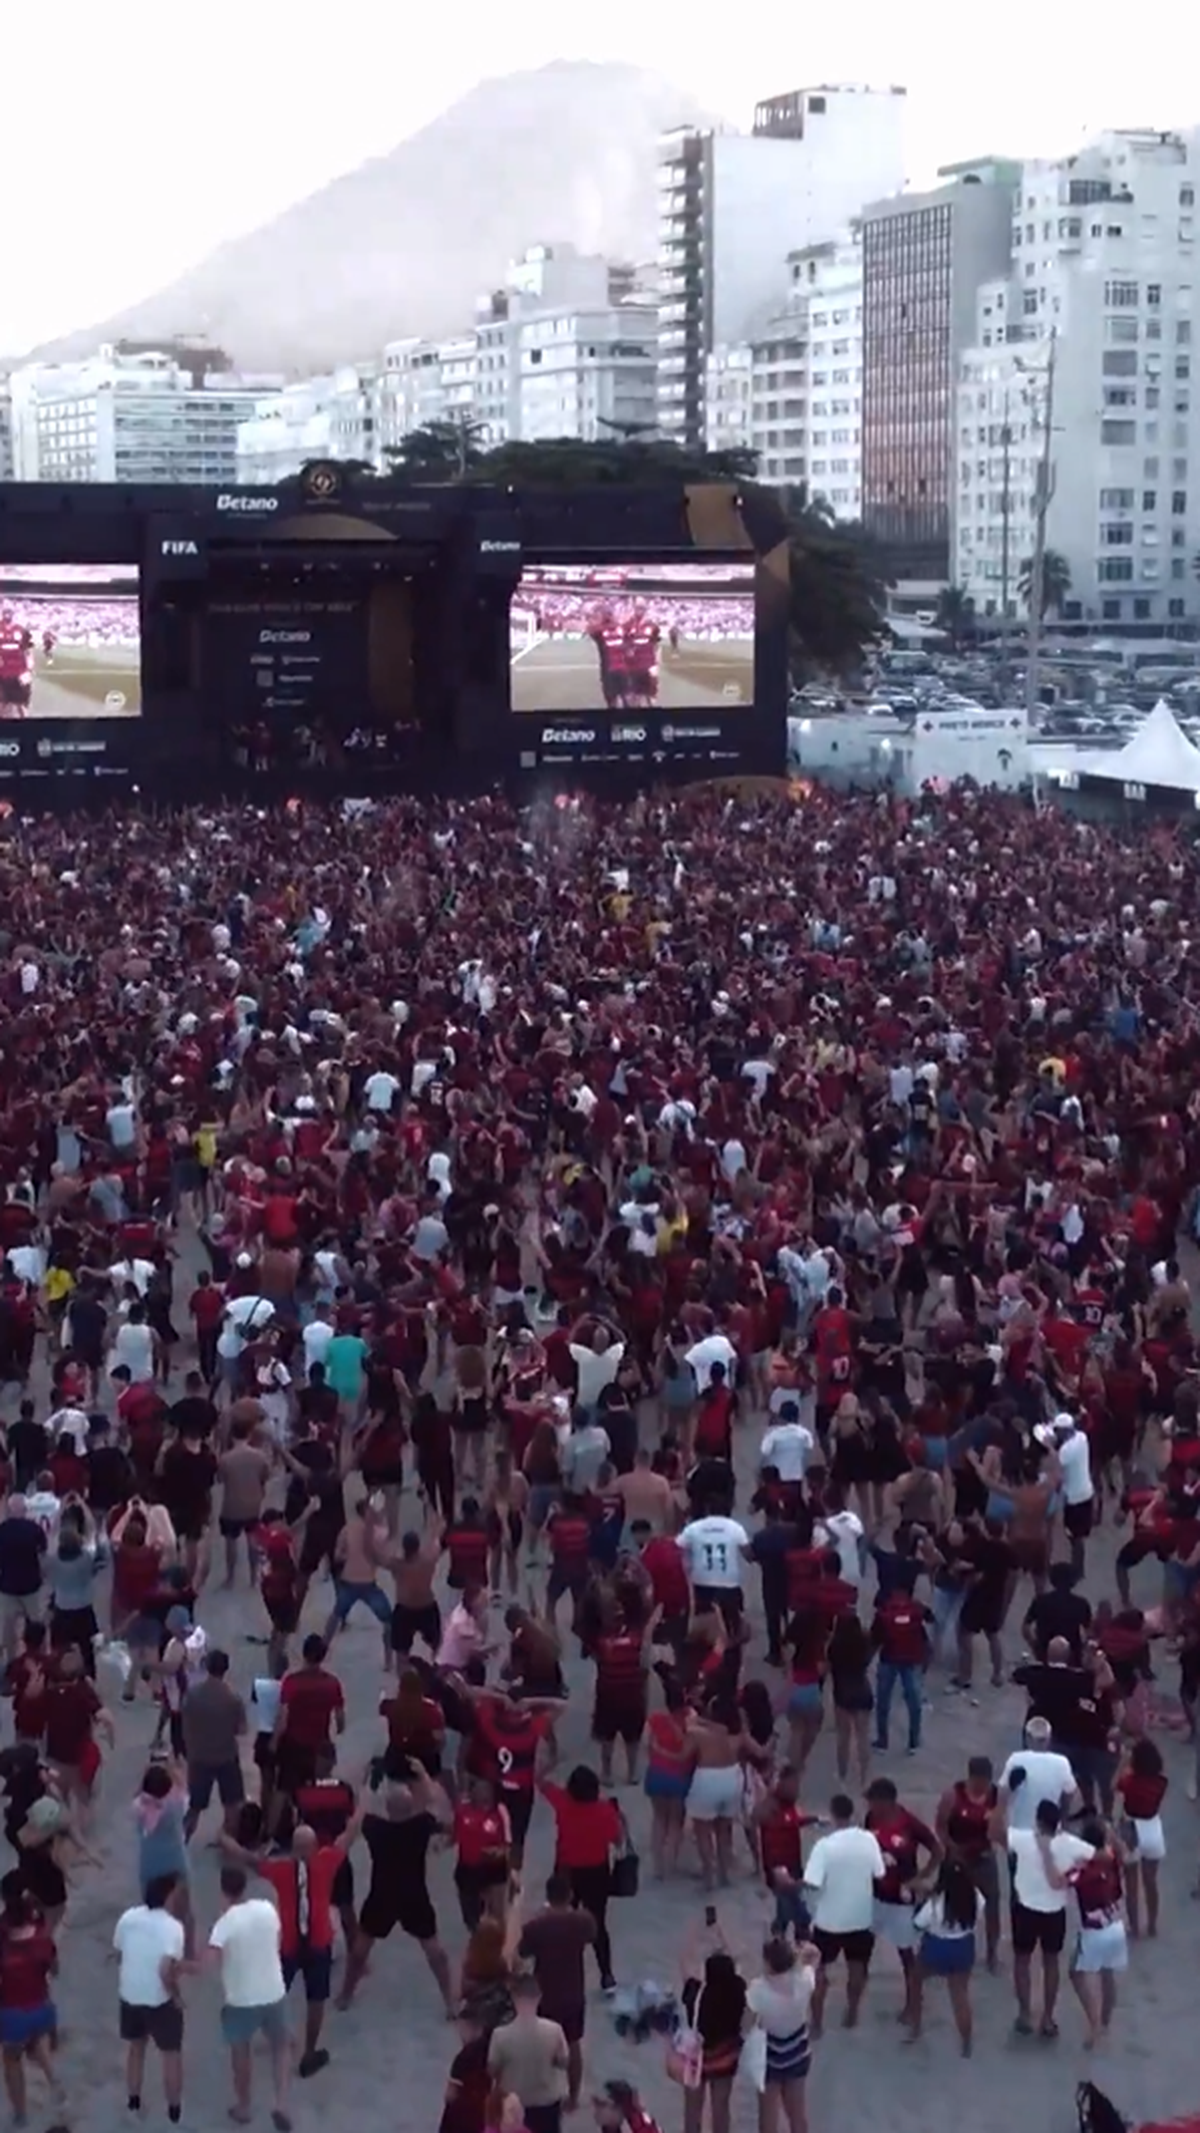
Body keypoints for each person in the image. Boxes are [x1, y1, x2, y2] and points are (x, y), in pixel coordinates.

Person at [338, 1767, 455, 2015]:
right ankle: (450, 2002)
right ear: (411, 1806)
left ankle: (345, 1995)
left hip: (382, 1895)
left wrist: (366, 1789)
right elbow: (440, 1809)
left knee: (359, 1951)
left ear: (388, 1810)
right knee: (436, 1953)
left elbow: (354, 1824)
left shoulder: (375, 1827)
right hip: (415, 1896)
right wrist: (423, 1773)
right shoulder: (422, 1824)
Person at [1004, 1798, 1096, 2039]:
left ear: (1037, 1820)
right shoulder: (1069, 1844)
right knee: (1051, 1962)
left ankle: (1024, 2013)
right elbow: (1097, 1855)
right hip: (1054, 1912)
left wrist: (1003, 1800)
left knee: (1022, 1960)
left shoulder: (1024, 1839)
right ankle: (1047, 2017)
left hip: (1025, 1908)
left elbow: (995, 1832)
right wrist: (1078, 1868)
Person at [803, 1794, 885, 2035]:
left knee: (819, 1972)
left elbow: (812, 1883)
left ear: (833, 1814)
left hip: (828, 1921)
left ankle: (817, 2023)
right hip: (860, 1918)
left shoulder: (824, 1847)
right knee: (857, 1967)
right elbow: (879, 1873)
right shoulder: (869, 1839)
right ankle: (852, 2012)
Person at [537, 1765, 622, 1990]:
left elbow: (542, 1784)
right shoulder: (604, 1811)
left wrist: (544, 1763)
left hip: (566, 1871)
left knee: (559, 1920)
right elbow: (617, 1839)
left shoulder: (563, 1803)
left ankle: (559, 1973)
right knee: (598, 1924)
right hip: (597, 1872)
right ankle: (607, 1975)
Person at [112, 1870, 187, 2121]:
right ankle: (174, 2109)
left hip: (130, 1995)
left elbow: (120, 1954)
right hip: (158, 2000)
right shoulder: (173, 1927)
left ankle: (133, 2099)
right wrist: (176, 1996)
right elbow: (166, 1971)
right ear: (167, 1897)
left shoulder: (128, 1917)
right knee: (171, 2054)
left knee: (136, 2048)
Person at [519, 1872, 597, 2111]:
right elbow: (593, 1934)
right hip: (574, 1993)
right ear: (570, 1894)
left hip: (546, 1995)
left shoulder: (536, 1927)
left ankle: (543, 2094)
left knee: (541, 2044)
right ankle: (573, 2097)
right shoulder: (582, 1921)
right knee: (573, 2045)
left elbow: (522, 1952)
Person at [0, 1874, 65, 2127]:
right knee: (37, 2039)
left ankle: (20, 2114)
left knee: (12, 2061)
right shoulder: (42, 1934)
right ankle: (54, 2077)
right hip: (42, 2009)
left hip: (12, 2014)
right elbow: (55, 1970)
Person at [910, 1857, 983, 2055]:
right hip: (963, 1947)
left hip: (936, 1947)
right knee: (960, 1994)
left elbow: (917, 1924)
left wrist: (921, 1897)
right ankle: (966, 2042)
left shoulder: (935, 1903)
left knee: (915, 1981)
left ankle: (915, 2027)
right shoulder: (975, 1896)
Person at [745, 1935, 818, 2132]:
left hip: (771, 2055)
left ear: (768, 1963)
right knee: (797, 2114)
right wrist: (800, 1959)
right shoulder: (804, 1981)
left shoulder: (758, 1990)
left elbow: (746, 2023)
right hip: (798, 2050)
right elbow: (814, 1956)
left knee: (768, 2116)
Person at [1067, 1816, 1128, 2049]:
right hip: (1115, 1926)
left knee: (1075, 1973)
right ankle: (1105, 2023)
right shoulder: (1112, 1860)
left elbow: (1063, 1880)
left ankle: (1093, 2025)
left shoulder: (1083, 1871)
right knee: (1107, 1975)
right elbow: (1119, 1850)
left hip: (1093, 1932)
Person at [486, 1970, 570, 2133]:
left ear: (515, 1998)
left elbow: (492, 2070)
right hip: (547, 2102)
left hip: (513, 2104)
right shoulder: (554, 2030)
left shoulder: (500, 2035)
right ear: (539, 1998)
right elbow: (563, 2062)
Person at [678, 1945, 746, 2133]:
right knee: (721, 2108)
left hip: (697, 2059)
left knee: (692, 2110)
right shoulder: (738, 1989)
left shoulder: (695, 1993)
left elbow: (684, 1962)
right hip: (726, 2057)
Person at [181, 1648, 246, 1838]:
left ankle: (182, 1841)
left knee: (195, 1806)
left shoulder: (193, 1695)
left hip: (200, 1756)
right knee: (232, 1803)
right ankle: (228, 1839)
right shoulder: (233, 1698)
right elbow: (241, 1729)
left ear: (207, 1667)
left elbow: (185, 1722)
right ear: (226, 1669)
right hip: (226, 1755)